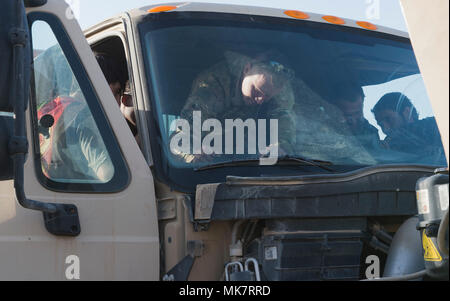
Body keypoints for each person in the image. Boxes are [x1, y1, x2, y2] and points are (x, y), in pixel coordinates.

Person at [178, 51, 296, 161]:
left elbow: (283, 118)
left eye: (267, 97)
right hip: (210, 163)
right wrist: (194, 153)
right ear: (246, 69)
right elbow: (181, 138)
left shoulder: (280, 88)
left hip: (250, 162)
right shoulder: (213, 83)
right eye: (256, 91)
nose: (260, 100)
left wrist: (281, 146)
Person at [372, 92, 444, 160]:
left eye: (388, 119)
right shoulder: (388, 144)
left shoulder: (437, 126)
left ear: (407, 112)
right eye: (381, 125)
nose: (385, 129)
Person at [333, 81, 381, 151]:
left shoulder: (371, 131)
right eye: (348, 115)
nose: (354, 119)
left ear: (362, 104)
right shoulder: (325, 128)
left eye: (358, 113)